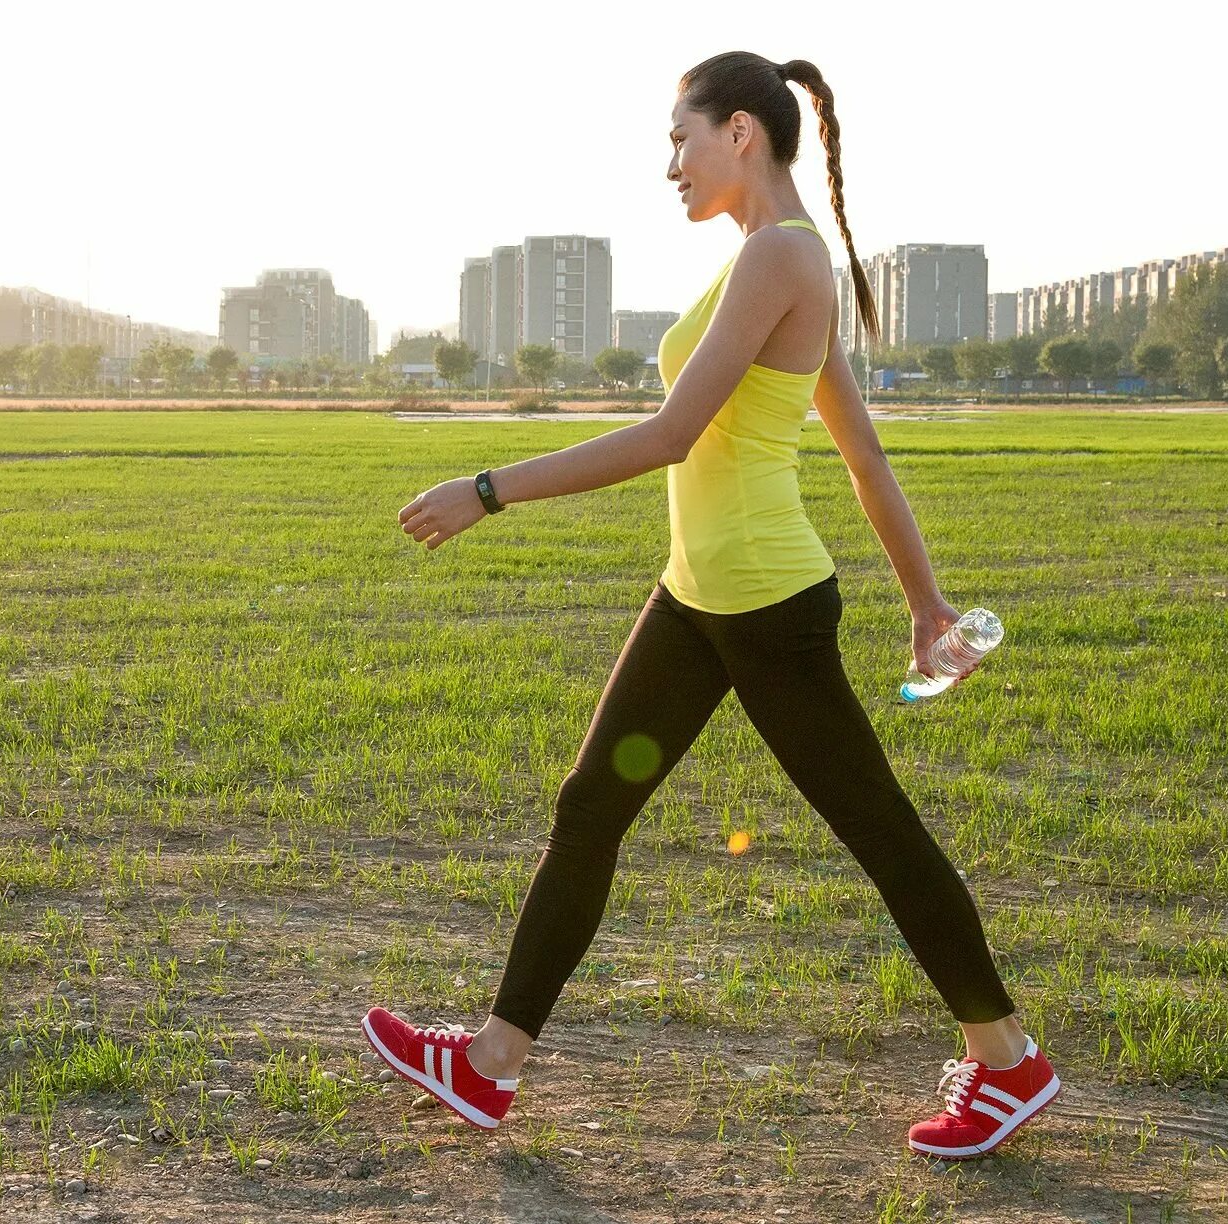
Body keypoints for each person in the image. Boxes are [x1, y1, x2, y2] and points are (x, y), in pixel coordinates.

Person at [360, 51, 1060, 1160]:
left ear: (742, 132)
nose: (669, 166)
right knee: (590, 804)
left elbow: (669, 437)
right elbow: (864, 456)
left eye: (679, 139)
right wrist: (926, 603)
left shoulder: (781, 256)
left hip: (766, 606)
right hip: (698, 593)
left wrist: (488, 490)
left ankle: (1009, 1059)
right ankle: (489, 1065)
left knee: (876, 827)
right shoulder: (773, 259)